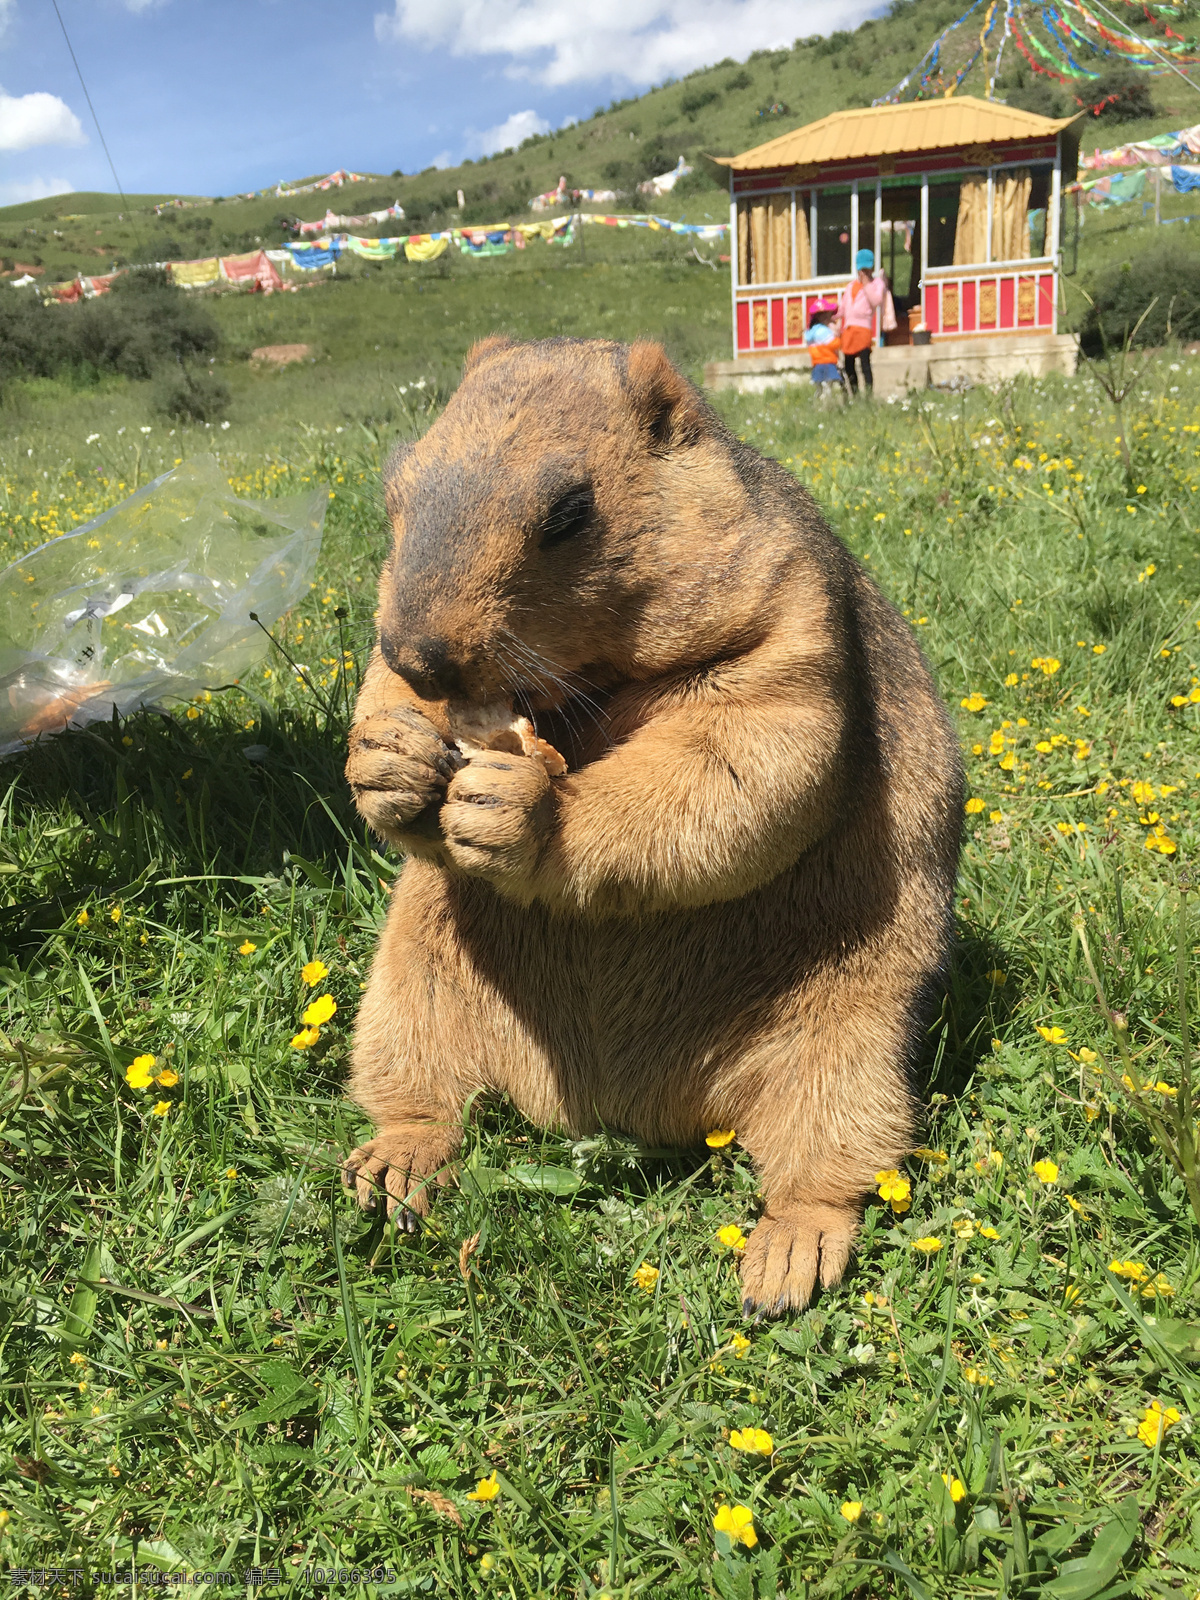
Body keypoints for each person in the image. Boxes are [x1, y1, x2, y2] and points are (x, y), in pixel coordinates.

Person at [837, 248, 888, 396]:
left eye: (867, 269)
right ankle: (853, 394)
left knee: (865, 364)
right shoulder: (850, 286)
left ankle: (868, 395)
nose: (864, 272)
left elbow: (876, 301)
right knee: (849, 365)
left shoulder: (876, 283)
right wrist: (831, 315)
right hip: (849, 330)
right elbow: (843, 308)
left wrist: (866, 285)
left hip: (863, 329)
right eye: (861, 269)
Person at [803, 301, 843, 399]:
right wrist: (838, 337)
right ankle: (826, 405)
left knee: (819, 388)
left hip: (817, 363)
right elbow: (834, 344)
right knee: (828, 388)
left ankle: (817, 404)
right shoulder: (823, 331)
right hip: (827, 362)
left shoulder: (812, 332)